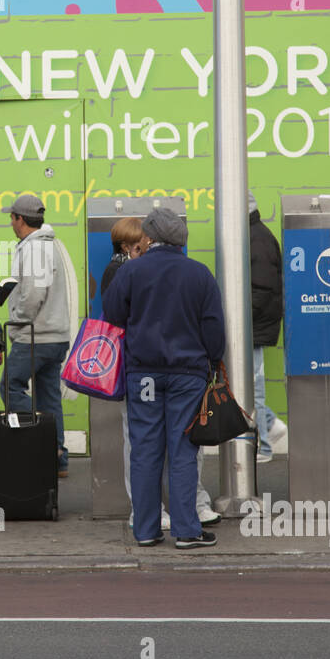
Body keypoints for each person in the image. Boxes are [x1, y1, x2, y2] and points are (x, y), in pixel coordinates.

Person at [103, 208, 225, 550]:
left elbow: (112, 314)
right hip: (188, 375)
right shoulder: (199, 274)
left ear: (149, 237)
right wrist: (213, 362)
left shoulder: (132, 271)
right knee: (184, 448)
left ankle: (145, 529)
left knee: (144, 449)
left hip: (143, 373)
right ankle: (187, 530)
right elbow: (214, 327)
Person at [3, 193, 74, 477]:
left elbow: (33, 294)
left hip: (36, 336)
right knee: (48, 397)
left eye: (12, 217)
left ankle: (42, 446)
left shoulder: (34, 249)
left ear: (20, 219)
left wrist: (17, 321)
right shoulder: (49, 244)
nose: (11, 222)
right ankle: (57, 458)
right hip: (55, 337)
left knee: (10, 387)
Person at [249, 191, 287, 464]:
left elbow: (260, 288)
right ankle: (271, 424)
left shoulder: (256, 238)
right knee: (249, 382)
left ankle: (264, 444)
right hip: (257, 321)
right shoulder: (256, 234)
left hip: (253, 323)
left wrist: (239, 319)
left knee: (253, 385)